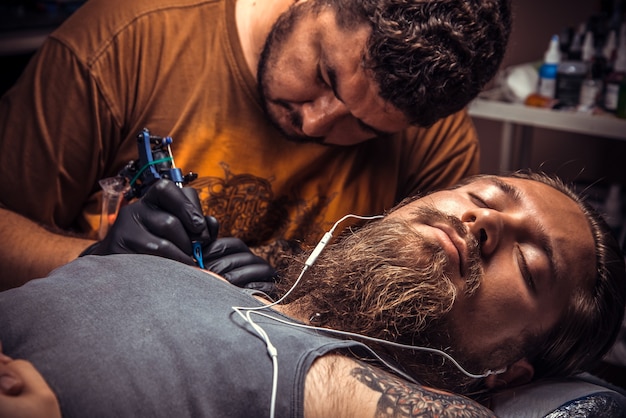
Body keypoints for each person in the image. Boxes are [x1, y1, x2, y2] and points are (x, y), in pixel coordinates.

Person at [0, 171, 624, 417]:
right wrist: (99, 261)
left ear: (506, 373)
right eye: (482, 195)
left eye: (530, 262)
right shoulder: (228, 278)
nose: (482, 221)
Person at [0, 0, 512, 289]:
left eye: (366, 127)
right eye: (326, 75)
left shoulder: (435, 141)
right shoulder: (125, 42)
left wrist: (302, 298)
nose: (315, 125)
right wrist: (92, 260)